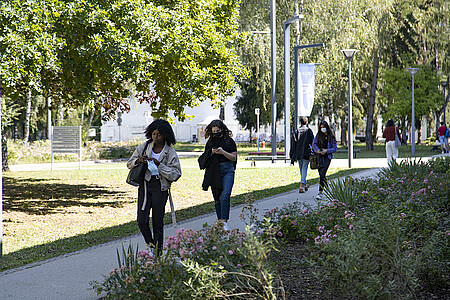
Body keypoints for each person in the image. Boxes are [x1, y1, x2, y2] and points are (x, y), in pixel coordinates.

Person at [127, 119, 182, 255]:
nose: (155, 137)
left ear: (165, 135)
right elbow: (129, 163)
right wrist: (138, 160)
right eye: (153, 134)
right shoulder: (144, 147)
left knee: (158, 222)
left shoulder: (170, 152)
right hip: (145, 186)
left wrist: (159, 165)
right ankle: (150, 244)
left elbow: (176, 174)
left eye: (159, 135)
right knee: (141, 220)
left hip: (160, 187)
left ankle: (157, 253)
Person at [198, 119, 237, 231]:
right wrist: (211, 151)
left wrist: (222, 152)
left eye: (218, 131)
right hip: (214, 171)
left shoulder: (229, 141)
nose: (215, 133)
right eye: (213, 131)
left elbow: (234, 157)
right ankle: (220, 222)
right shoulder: (210, 142)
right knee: (217, 198)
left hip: (227, 170)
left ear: (222, 130)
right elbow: (205, 156)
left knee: (225, 195)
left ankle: (223, 221)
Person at [312, 120, 337, 200]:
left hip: (327, 157)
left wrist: (326, 151)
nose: (323, 129)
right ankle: (328, 189)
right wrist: (317, 150)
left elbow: (334, 148)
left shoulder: (331, 136)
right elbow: (314, 144)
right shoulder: (318, 135)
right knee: (321, 175)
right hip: (319, 157)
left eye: (324, 127)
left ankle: (320, 192)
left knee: (322, 173)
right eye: (321, 127)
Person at [290, 116, 314, 193]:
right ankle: (301, 185)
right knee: (304, 169)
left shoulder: (297, 131)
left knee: (302, 169)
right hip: (306, 152)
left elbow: (293, 143)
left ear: (300, 122)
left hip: (298, 153)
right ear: (306, 122)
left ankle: (305, 184)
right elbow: (312, 142)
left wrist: (292, 154)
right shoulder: (309, 131)